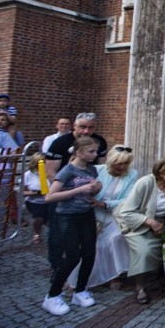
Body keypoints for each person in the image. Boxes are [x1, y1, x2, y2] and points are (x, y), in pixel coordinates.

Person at [116, 154, 165, 304]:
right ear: (160, 172)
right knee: (145, 251)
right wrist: (149, 222)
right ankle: (140, 287)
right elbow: (126, 212)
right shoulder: (145, 183)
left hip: (164, 227)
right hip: (139, 226)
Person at [41, 136, 102, 315]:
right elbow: (49, 197)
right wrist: (79, 190)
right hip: (67, 216)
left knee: (90, 253)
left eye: (95, 151)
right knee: (73, 256)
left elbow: (91, 192)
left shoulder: (91, 169)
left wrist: (96, 188)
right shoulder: (67, 170)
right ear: (79, 152)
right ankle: (52, 296)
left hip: (86, 214)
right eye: (91, 151)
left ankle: (80, 290)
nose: (95, 154)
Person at [45, 112, 108, 273]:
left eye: (90, 127)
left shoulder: (99, 141)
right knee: (57, 234)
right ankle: (57, 266)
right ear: (74, 126)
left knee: (85, 237)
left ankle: (81, 269)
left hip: (87, 196)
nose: (86, 131)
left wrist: (97, 188)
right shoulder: (60, 143)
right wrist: (70, 192)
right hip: (63, 195)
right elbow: (50, 172)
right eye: (82, 127)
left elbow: (101, 169)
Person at [68, 145, 138, 290]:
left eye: (125, 163)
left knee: (116, 237)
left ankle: (114, 275)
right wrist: (92, 196)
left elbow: (128, 199)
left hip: (115, 214)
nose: (122, 166)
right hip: (93, 214)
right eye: (118, 163)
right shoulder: (97, 170)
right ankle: (79, 279)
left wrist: (104, 204)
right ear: (110, 161)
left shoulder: (132, 174)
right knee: (90, 242)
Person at [23, 153, 51, 245]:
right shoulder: (28, 175)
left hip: (49, 200)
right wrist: (36, 193)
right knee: (39, 215)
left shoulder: (51, 173)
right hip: (34, 201)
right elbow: (22, 192)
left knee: (50, 220)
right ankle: (36, 234)